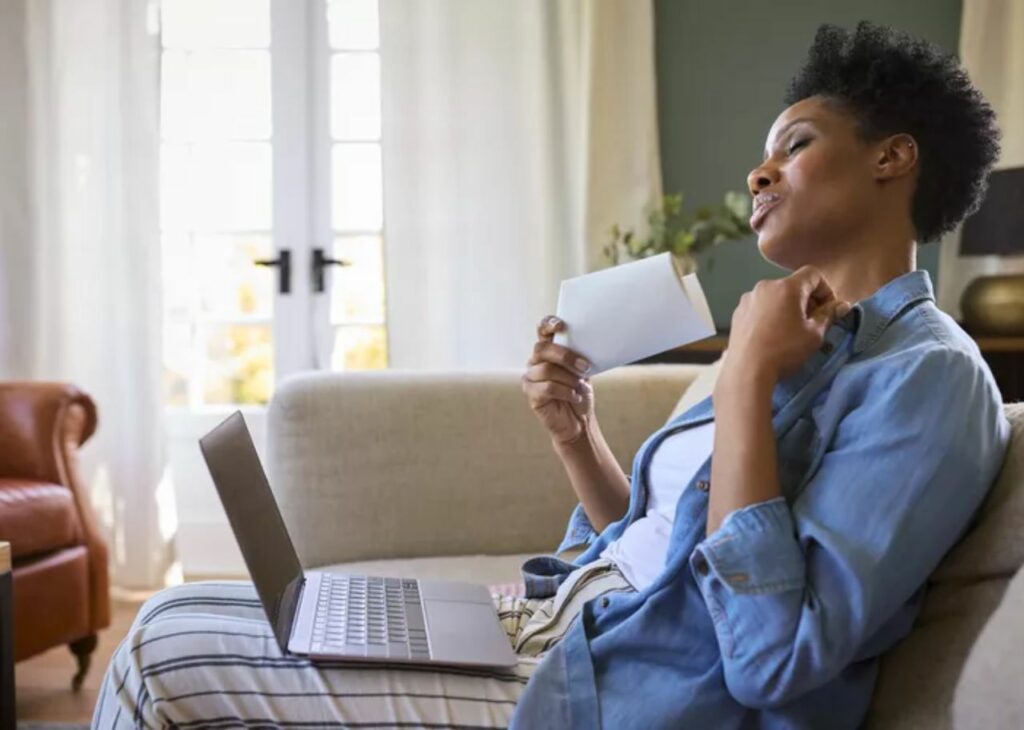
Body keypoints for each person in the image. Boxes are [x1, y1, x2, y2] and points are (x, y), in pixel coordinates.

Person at [92, 20, 1010, 729]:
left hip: (614, 697)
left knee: (160, 648)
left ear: (893, 156)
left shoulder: (928, 378)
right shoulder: (798, 339)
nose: (759, 171)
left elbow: (769, 657)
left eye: (796, 144)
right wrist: (578, 437)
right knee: (202, 611)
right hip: (556, 629)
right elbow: (658, 556)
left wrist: (742, 378)